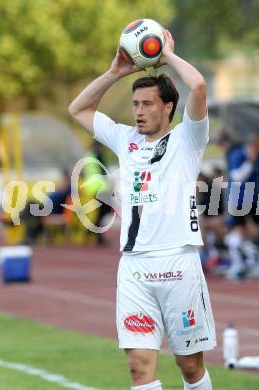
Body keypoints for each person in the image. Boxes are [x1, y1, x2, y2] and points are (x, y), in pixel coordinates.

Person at [68, 29, 216, 390]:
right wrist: (115, 73)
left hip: (178, 262)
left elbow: (197, 87)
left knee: (189, 365)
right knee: (138, 365)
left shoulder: (188, 138)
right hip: (134, 266)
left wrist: (167, 56)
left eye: (147, 104)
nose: (139, 112)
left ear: (168, 107)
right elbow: (78, 109)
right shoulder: (125, 139)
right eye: (135, 105)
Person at [224, 130, 259, 279]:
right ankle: (238, 265)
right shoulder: (238, 155)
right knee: (239, 233)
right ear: (253, 143)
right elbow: (237, 177)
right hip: (240, 200)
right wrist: (250, 161)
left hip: (257, 200)